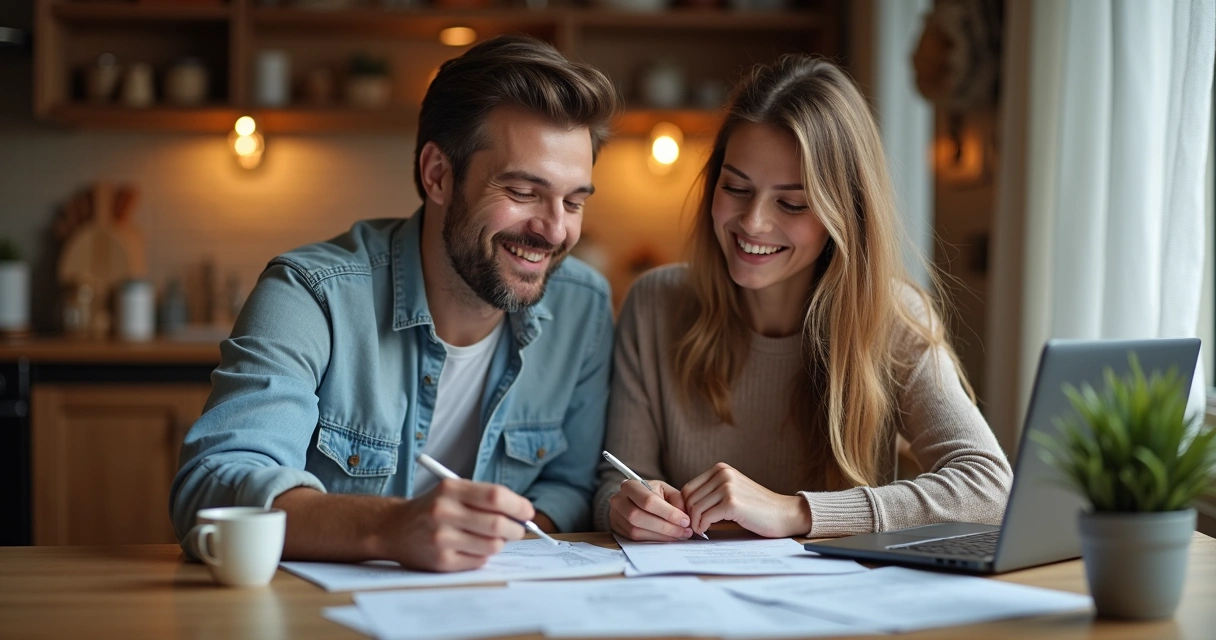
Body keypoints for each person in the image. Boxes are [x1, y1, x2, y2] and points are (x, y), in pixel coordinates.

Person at [172, 35, 620, 572]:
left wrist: (495, 541)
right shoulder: (312, 294)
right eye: (524, 192)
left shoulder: (583, 306)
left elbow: (569, 485)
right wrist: (390, 528)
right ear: (438, 175)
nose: (555, 230)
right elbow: (212, 487)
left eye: (574, 202)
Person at [595, 55, 1012, 542]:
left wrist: (795, 512)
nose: (753, 222)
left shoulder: (891, 317)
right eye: (736, 188)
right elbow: (615, 482)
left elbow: (990, 489)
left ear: (845, 214)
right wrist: (626, 508)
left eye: (791, 203)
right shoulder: (654, 303)